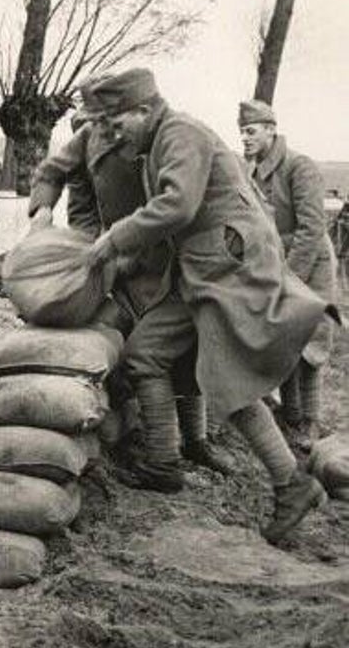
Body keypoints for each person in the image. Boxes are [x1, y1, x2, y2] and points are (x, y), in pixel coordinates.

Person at [32, 67, 334, 544]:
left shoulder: (181, 133)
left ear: (143, 110)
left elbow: (178, 205)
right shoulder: (152, 137)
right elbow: (68, 175)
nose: (111, 134)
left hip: (228, 266)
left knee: (224, 375)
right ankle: (166, 463)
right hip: (196, 268)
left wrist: (113, 241)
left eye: (117, 122)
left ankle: (288, 483)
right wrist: (47, 215)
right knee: (148, 356)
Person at [30, 110, 234, 491]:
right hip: (122, 265)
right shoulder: (84, 157)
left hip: (166, 259)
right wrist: (61, 235)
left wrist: (120, 253)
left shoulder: (146, 144)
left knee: (180, 353)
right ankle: (154, 443)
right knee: (137, 352)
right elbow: (79, 212)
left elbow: (168, 211)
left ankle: (194, 442)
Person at [238, 99, 337, 451]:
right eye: (242, 132)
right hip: (277, 264)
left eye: (251, 131)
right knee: (283, 338)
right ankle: (291, 414)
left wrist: (289, 278)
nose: (245, 138)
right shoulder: (252, 173)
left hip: (311, 263)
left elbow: (312, 228)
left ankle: (310, 422)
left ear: (270, 130)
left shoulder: (298, 166)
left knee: (310, 339)